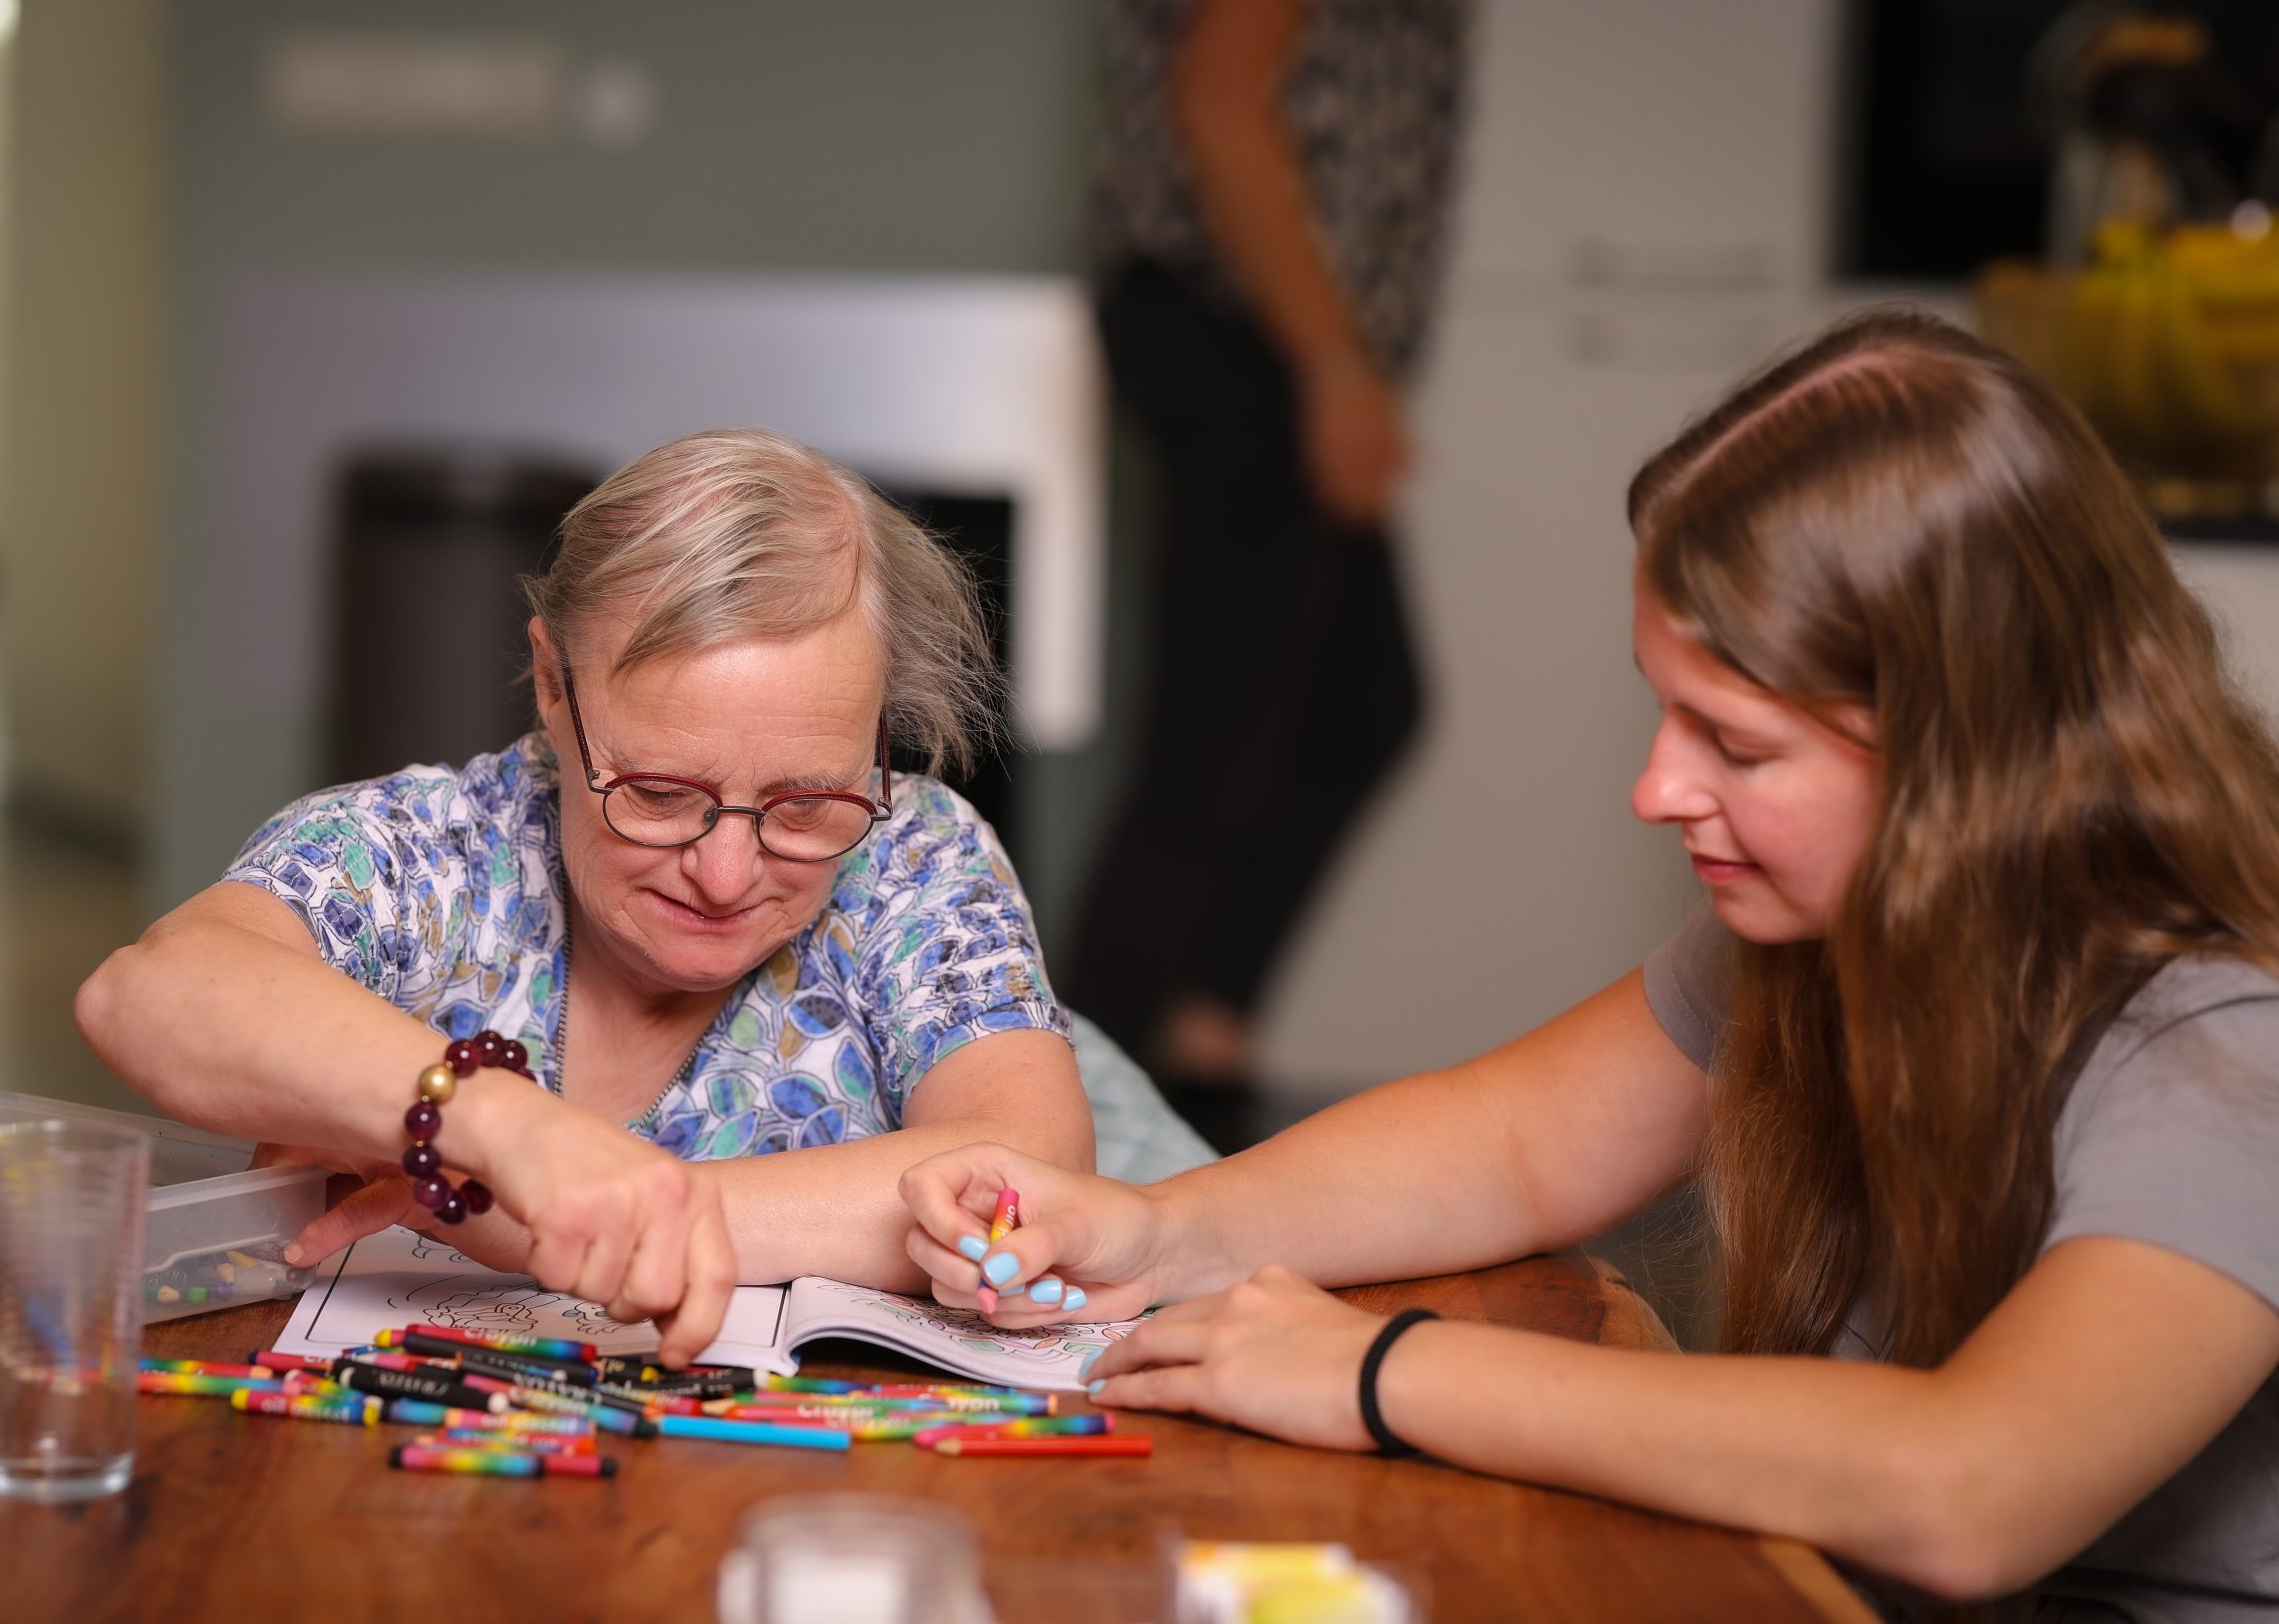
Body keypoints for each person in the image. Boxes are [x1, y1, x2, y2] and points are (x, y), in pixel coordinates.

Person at [898, 313, 2279, 1615]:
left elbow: (1975, 1486)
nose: (1657, 787)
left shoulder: (2232, 1046)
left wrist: (1380, 1371)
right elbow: (1513, 1144)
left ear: (1965, 750)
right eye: (1663, 710)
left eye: (1734, 743)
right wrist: (1163, 1230)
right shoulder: (1825, 926)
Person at [78, 429, 1095, 1359]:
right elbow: (152, 994)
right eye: (657, 793)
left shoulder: (911, 855)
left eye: (806, 803)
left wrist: (565, 1219)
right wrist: (505, 1128)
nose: (727, 874)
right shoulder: (428, 852)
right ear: (554, 690)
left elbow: (1027, 1169)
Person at [1064, 0, 1481, 1141]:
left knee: (1362, 707)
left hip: (1265, 348)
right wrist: (1332, 370)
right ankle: (1035, 1141)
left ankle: (1196, 1043)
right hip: (1241, 339)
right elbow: (1218, 95)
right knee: (1206, 767)